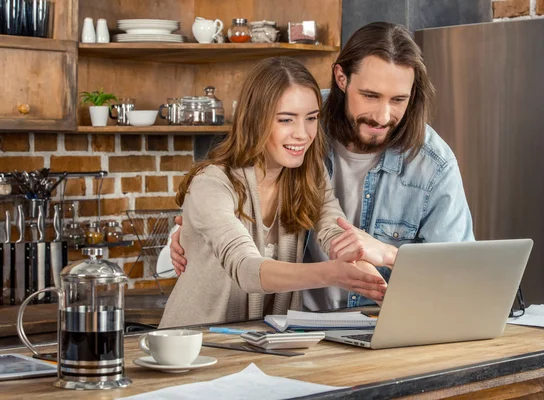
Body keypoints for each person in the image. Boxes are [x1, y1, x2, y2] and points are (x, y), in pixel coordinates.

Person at [169, 22, 475, 311]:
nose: (383, 116)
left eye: (398, 100)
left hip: (303, 336)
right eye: (370, 96)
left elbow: (335, 232)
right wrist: (195, 232)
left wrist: (383, 269)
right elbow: (242, 261)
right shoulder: (299, 131)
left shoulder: (309, 169)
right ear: (341, 79)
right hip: (224, 339)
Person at [159, 57, 389, 329]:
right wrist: (329, 274)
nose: (302, 134)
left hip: (266, 346)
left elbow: (335, 233)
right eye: (286, 120)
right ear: (256, 120)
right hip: (196, 347)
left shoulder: (310, 176)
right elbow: (245, 268)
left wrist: (376, 286)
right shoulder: (211, 184)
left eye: (312, 118)